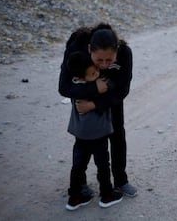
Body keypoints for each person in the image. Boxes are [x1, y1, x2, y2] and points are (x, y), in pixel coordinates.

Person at [58, 23, 138, 203]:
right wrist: (93, 88)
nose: (103, 65)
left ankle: (120, 181)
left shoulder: (125, 54)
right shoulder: (76, 48)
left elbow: (122, 91)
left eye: (109, 60)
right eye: (98, 60)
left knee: (117, 133)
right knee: (84, 139)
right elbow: (64, 87)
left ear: (117, 51)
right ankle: (81, 185)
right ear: (89, 50)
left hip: (111, 94)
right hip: (83, 92)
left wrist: (96, 103)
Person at [65, 51, 123, 210]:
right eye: (93, 73)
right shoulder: (98, 84)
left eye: (96, 70)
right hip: (98, 135)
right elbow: (112, 84)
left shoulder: (74, 88)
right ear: (81, 78)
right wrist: (110, 72)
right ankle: (107, 195)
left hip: (80, 137)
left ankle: (74, 197)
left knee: (78, 166)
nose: (97, 73)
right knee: (103, 165)